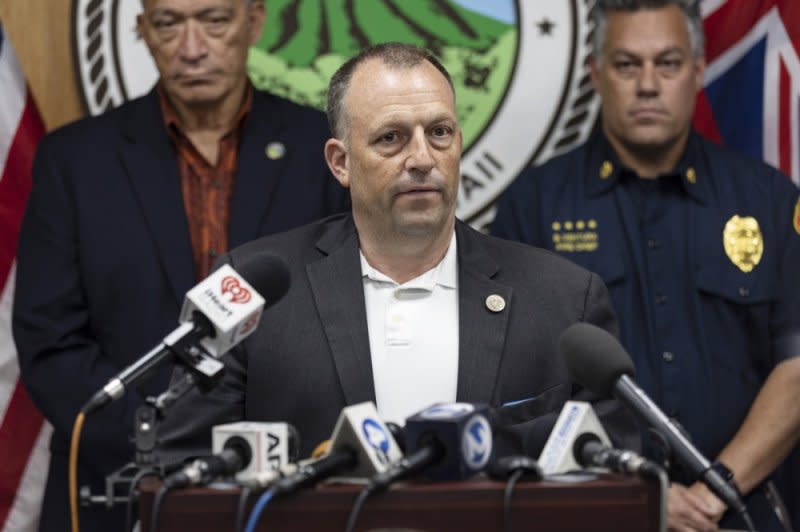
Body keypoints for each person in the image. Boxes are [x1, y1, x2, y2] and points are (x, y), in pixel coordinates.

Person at [159, 42, 638, 478]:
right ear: (340, 162)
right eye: (391, 138)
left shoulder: (563, 299)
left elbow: (616, 474)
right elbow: (183, 468)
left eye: (440, 132)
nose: (422, 158)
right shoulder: (250, 294)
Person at [12, 0, 348, 530]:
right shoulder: (74, 162)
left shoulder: (324, 152)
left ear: (255, 22)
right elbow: (50, 343)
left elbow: (350, 320)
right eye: (169, 24)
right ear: (142, 30)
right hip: (116, 487)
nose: (192, 49)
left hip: (287, 485)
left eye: (214, 20)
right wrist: (158, 436)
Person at [491, 1, 800, 530]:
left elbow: (796, 370)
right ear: (595, 74)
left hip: (741, 511)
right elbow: (518, 389)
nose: (649, 84)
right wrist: (637, 494)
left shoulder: (769, 199)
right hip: (598, 513)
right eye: (627, 65)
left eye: (669, 63)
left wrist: (712, 490)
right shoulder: (533, 206)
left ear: (699, 70)